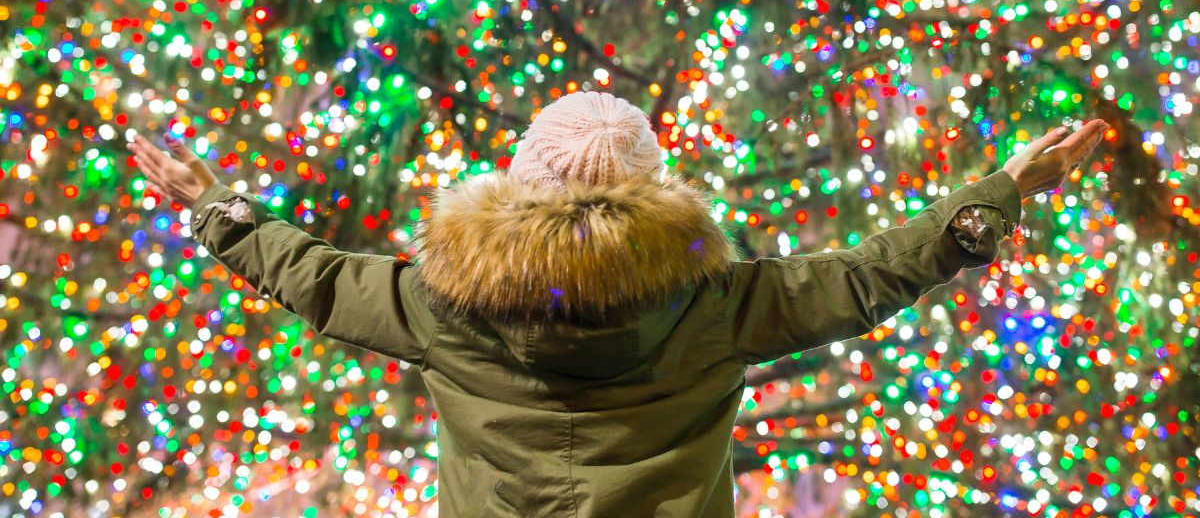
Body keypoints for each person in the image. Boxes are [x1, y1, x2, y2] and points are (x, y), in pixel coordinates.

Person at [126, 92, 1108, 517]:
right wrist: (996, 190)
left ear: (514, 185)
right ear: (655, 194)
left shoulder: (437, 299)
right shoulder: (718, 299)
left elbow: (314, 275)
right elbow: (866, 274)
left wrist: (216, 205)